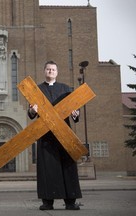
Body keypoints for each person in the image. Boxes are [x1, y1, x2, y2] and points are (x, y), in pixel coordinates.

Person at [28, 60, 82, 211]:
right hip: (46, 136)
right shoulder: (37, 90)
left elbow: (75, 111)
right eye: (48, 69)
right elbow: (31, 113)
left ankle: (70, 202)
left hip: (64, 134)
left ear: (57, 72)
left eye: (53, 69)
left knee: (68, 166)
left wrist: (75, 114)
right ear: (44, 71)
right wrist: (32, 111)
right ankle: (47, 202)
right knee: (47, 169)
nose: (51, 71)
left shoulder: (65, 89)